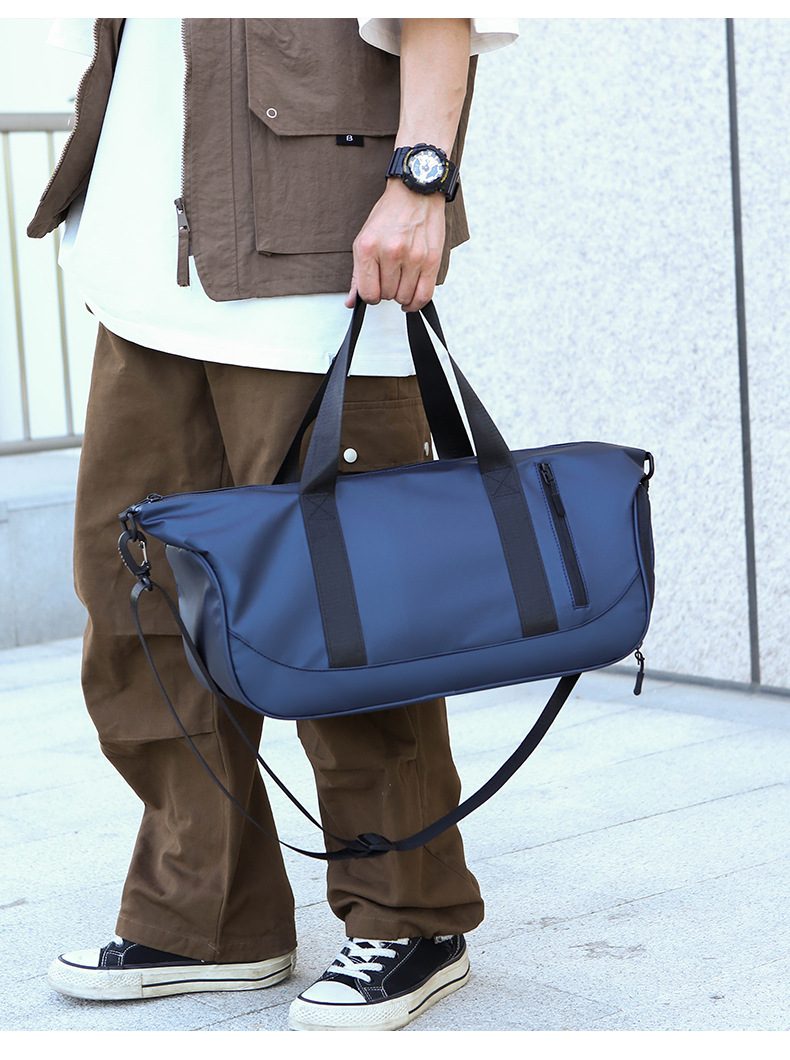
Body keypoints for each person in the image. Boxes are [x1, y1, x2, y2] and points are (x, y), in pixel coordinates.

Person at [28, 17, 518, 1032]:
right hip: (145, 275)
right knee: (140, 614)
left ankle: (411, 913)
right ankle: (208, 915)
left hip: (317, 272)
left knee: (347, 619)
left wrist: (421, 180)